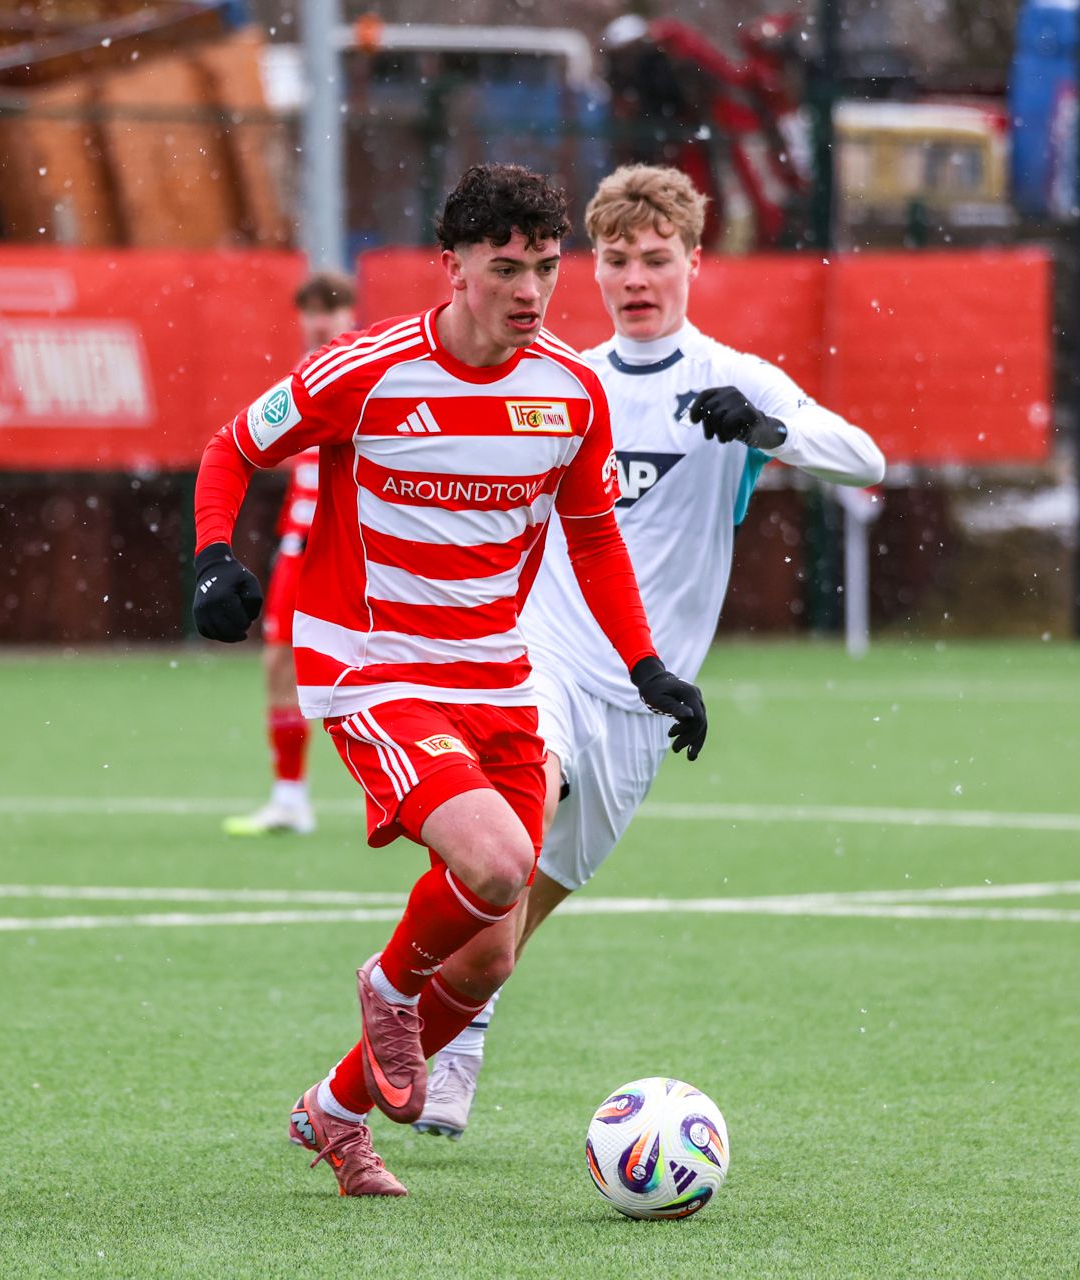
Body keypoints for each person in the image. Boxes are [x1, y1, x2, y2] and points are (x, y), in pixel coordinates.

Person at [189, 164, 708, 1197]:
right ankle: (387, 985)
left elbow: (594, 537)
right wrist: (211, 557)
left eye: (546, 268)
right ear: (453, 266)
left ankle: (334, 1113)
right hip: (373, 666)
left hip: (499, 676)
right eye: (505, 268)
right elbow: (231, 448)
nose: (530, 291)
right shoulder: (366, 370)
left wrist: (646, 663)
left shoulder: (571, 392)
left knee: (487, 959)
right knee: (501, 862)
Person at [411, 164, 887, 1141]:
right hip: (542, 658)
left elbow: (867, 460)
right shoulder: (566, 379)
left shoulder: (735, 378)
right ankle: (420, 1051)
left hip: (648, 696)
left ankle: (448, 1019)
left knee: (518, 920)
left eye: (657, 258)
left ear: (694, 262)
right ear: (593, 266)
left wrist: (769, 431)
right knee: (510, 845)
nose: (636, 277)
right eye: (617, 258)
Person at [224, 271, 360, 838]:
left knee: (374, 670)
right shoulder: (304, 377)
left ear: (351, 314)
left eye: (330, 308)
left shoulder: (364, 372)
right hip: (296, 546)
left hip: (349, 550)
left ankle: (419, 785)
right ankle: (289, 797)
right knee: (279, 662)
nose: (319, 320)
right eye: (310, 310)